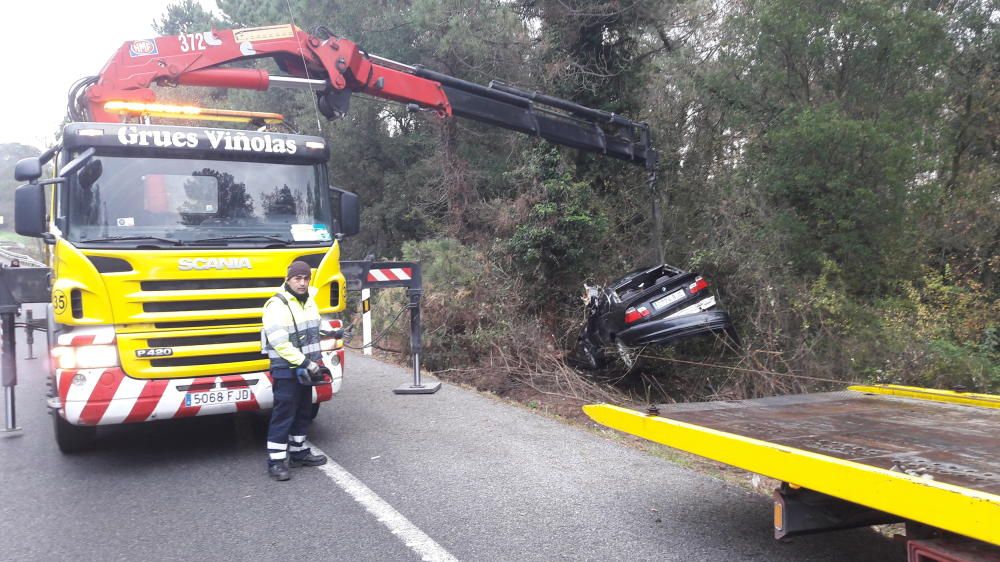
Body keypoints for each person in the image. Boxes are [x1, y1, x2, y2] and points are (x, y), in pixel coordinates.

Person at [261, 260, 328, 481]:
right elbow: (280, 343)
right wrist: (305, 362)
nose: (302, 283)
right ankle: (276, 462)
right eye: (297, 278)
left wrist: (333, 333)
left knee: (303, 412)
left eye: (305, 278)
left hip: (306, 368)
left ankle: (299, 453)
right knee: (284, 414)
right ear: (288, 279)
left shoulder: (308, 301)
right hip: (286, 369)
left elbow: (313, 328)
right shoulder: (276, 305)